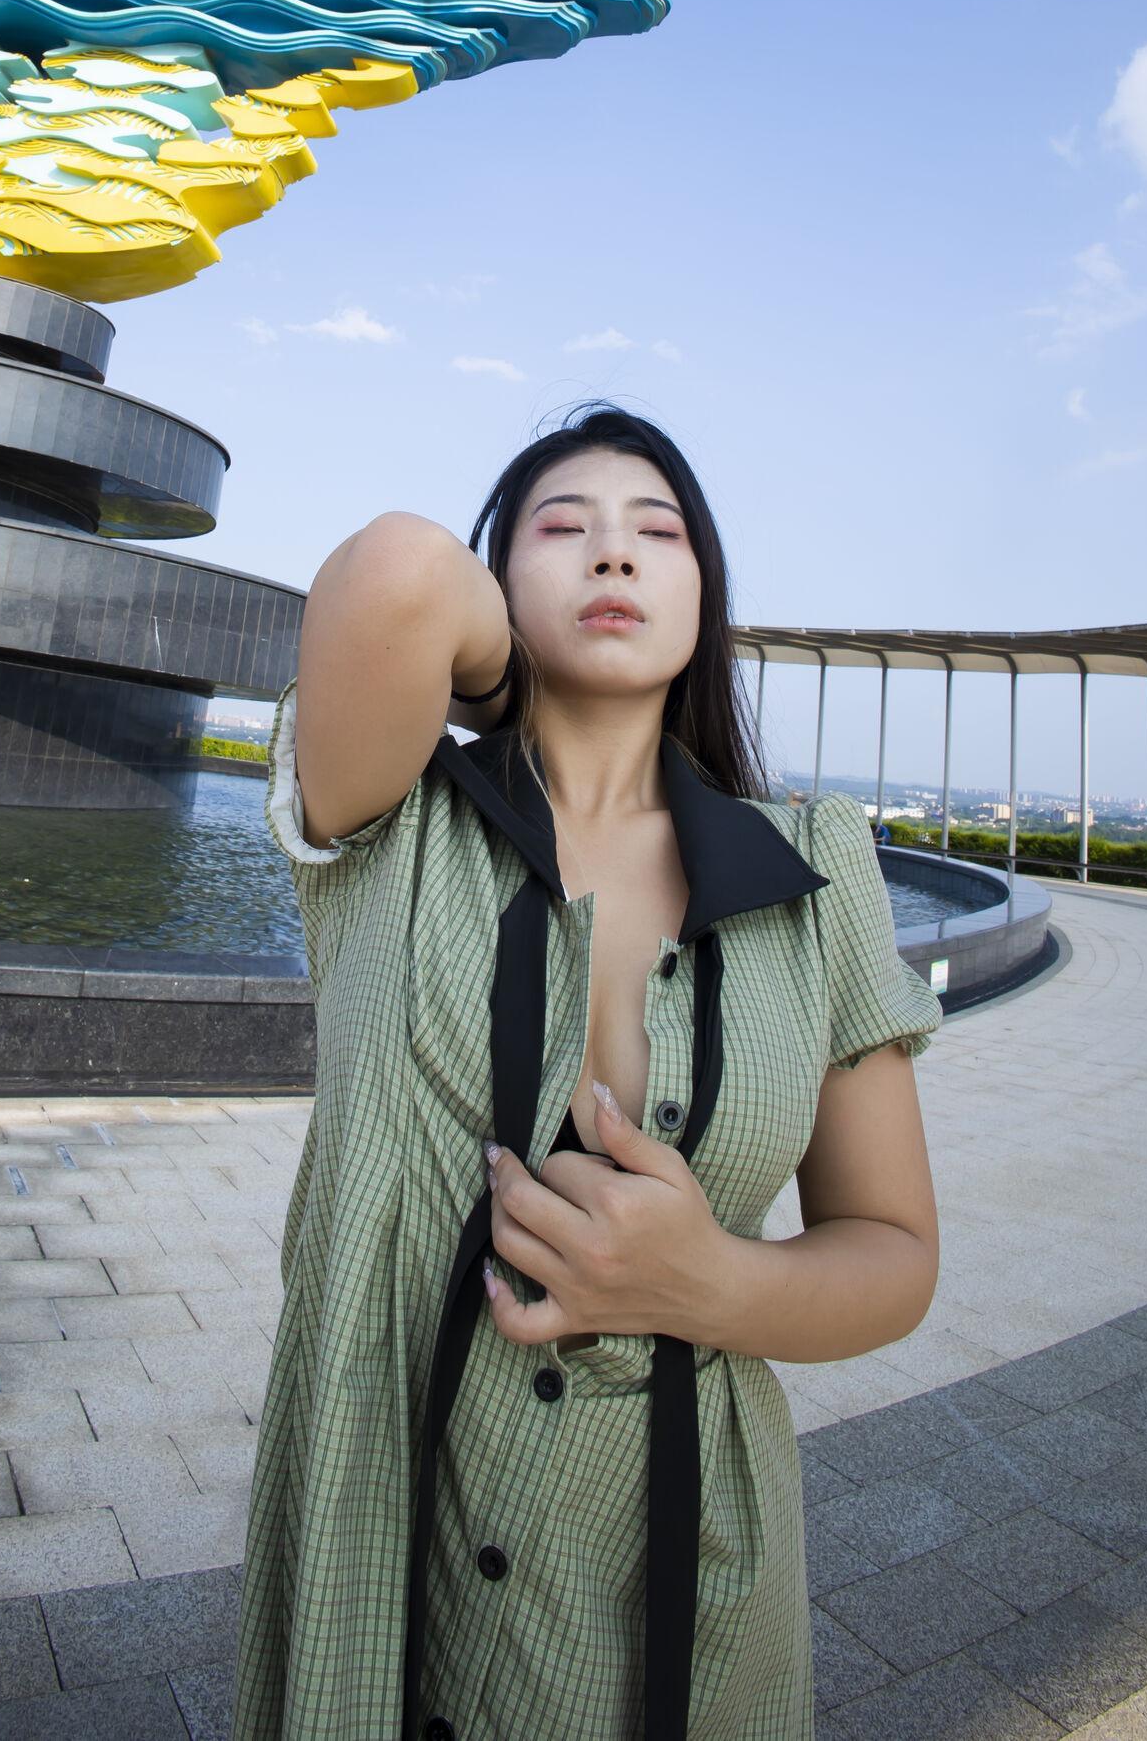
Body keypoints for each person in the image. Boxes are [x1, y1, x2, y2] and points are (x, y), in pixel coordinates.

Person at [235, 405, 943, 1741]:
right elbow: (396, 570)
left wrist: (707, 1281)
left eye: (656, 535)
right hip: (389, 1529)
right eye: (563, 530)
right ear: (497, 589)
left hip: (685, 1590)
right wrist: (509, 690)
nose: (613, 555)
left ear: (703, 595)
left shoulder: (815, 872)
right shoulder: (390, 822)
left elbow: (896, 1255)